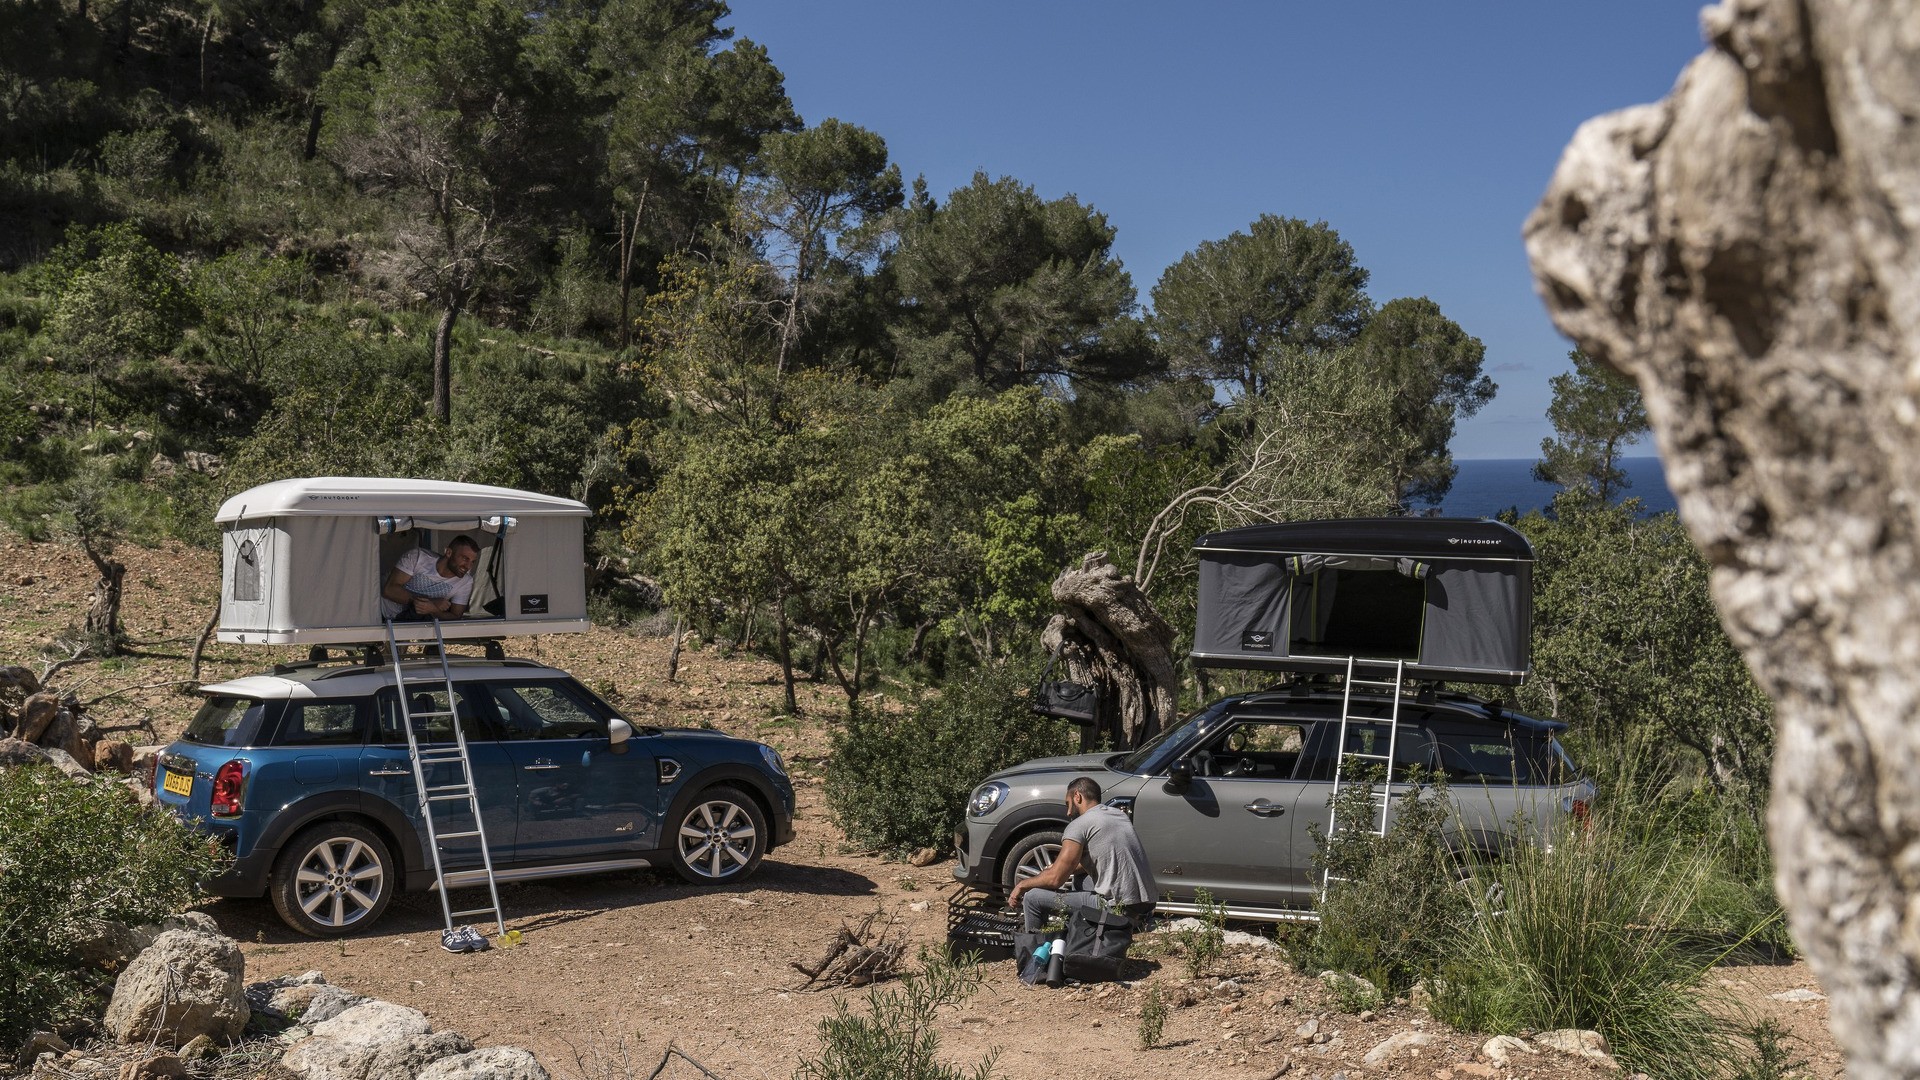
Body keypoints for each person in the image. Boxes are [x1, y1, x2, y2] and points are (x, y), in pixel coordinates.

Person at [1007, 776, 1156, 934]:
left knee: (1032, 898)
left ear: (1077, 796)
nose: (1068, 812)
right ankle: (1076, 932)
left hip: (1117, 911)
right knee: (1081, 878)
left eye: (1068, 804)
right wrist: (1058, 868)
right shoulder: (1118, 816)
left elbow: (1055, 880)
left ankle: (1033, 945)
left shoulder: (1079, 824)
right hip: (1145, 908)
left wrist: (1022, 885)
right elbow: (1098, 861)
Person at [380, 536, 480, 621]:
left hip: (413, 624)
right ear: (449, 552)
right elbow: (389, 590)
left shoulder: (466, 581)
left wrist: (434, 610)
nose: (468, 566)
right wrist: (430, 602)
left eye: (473, 562)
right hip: (380, 615)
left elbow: (455, 616)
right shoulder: (418, 557)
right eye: (465, 559)